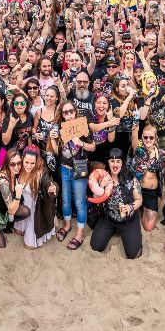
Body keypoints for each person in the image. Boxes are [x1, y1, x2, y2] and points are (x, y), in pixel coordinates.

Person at [50, 101, 94, 249]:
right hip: (64, 168)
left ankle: (80, 233)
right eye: (65, 112)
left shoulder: (83, 126)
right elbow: (57, 152)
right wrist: (52, 139)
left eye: (71, 111)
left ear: (75, 112)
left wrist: (80, 143)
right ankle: (68, 225)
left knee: (80, 201)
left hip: (80, 167)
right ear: (61, 115)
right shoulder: (60, 129)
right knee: (65, 199)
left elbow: (93, 147)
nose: (68, 115)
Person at [89, 147, 144, 259]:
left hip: (128, 220)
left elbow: (139, 200)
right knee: (96, 246)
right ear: (108, 162)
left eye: (118, 161)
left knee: (133, 254)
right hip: (108, 218)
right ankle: (113, 230)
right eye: (112, 161)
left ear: (122, 163)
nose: (115, 164)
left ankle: (130, 233)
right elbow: (95, 198)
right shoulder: (102, 177)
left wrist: (131, 207)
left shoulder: (131, 178)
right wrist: (101, 186)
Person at [12, 146, 57, 249]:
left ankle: (51, 221)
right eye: (26, 162)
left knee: (29, 245)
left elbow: (48, 182)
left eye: (32, 163)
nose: (28, 166)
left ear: (37, 161)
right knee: (18, 231)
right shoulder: (18, 168)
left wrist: (52, 188)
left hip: (36, 211)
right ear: (22, 159)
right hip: (22, 206)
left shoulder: (41, 172)